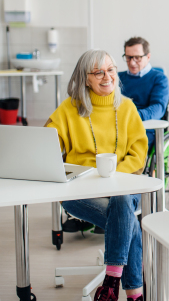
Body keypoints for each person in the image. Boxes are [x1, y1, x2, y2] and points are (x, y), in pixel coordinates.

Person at [46, 50, 148, 301]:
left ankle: (111, 282)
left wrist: (112, 180)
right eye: (98, 72)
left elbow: (138, 154)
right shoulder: (70, 109)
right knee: (130, 224)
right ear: (86, 78)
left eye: (111, 69)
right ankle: (135, 294)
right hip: (80, 191)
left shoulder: (126, 107)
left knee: (122, 200)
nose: (107, 76)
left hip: (125, 186)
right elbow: (47, 146)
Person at [119, 37, 169, 150]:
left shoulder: (159, 79)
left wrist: (132, 116)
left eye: (137, 58)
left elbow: (158, 108)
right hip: (119, 125)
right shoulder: (117, 78)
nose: (132, 62)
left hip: (145, 128)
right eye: (128, 57)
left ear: (148, 57)